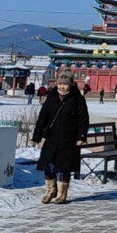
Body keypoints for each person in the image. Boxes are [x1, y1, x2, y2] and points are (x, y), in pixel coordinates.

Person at [31, 71, 90, 205]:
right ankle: (50, 190)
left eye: (65, 84)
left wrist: (81, 136)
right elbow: (43, 117)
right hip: (52, 138)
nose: (62, 87)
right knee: (48, 166)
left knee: (64, 167)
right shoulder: (51, 97)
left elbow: (83, 120)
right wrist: (37, 135)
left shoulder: (78, 99)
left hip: (68, 139)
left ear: (70, 84)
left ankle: (62, 193)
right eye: (60, 84)